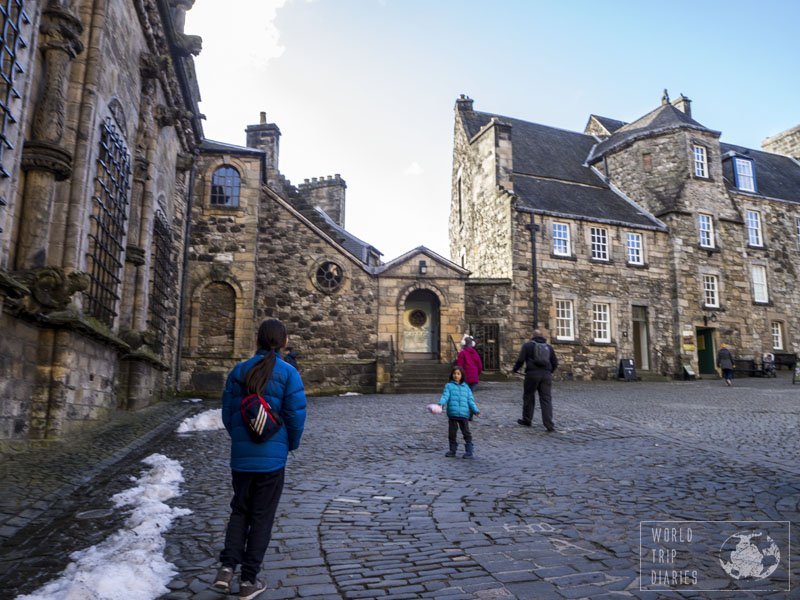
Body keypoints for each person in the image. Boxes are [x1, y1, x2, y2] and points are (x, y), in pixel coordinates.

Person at [213, 319, 306, 600]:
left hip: (241, 457)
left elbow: (228, 413)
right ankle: (249, 580)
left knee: (240, 510)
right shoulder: (289, 373)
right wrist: (289, 444)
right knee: (262, 517)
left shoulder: (239, 370)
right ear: (284, 341)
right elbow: (295, 416)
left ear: (257, 340)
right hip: (272, 459)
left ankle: (227, 568)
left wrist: (241, 438)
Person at [512, 329, 558, 432]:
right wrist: (550, 372)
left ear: (532, 336)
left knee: (529, 397)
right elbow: (555, 362)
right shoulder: (549, 347)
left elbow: (520, 360)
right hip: (546, 375)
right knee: (546, 400)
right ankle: (549, 424)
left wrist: (515, 370)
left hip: (532, 374)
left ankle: (527, 420)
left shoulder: (527, 346)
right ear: (542, 336)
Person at [438, 365, 480, 459]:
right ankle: (452, 450)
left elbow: (470, 401)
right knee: (452, 433)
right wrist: (441, 404)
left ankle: (469, 450)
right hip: (453, 414)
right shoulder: (449, 386)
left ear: (462, 375)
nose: (456, 376)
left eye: (458, 374)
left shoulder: (466, 388)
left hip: (464, 414)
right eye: (454, 374)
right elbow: (445, 396)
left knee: (466, 433)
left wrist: (475, 410)